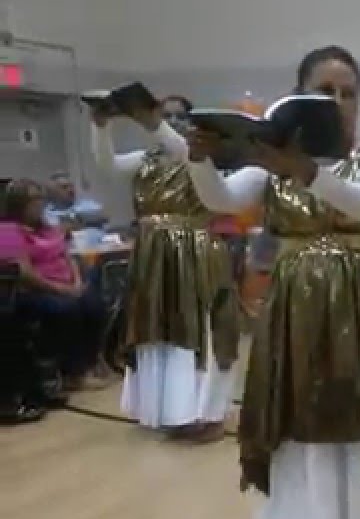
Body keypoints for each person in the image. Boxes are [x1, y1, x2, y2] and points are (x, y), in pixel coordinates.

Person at [184, 45, 360, 519]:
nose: (340, 101)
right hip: (297, 307)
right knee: (303, 425)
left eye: (349, 92)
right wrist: (200, 158)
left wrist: (305, 170)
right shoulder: (271, 161)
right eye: (326, 91)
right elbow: (222, 200)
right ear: (300, 96)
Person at [90, 93, 237, 442]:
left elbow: (189, 158)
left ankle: (203, 412)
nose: (170, 122)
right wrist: (100, 125)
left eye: (177, 116)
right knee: (153, 329)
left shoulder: (203, 157)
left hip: (193, 249)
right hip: (153, 252)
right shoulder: (147, 158)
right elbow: (107, 165)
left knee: (197, 330)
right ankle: (165, 410)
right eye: (164, 116)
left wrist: (154, 123)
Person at [0, 179, 110, 392]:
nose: (40, 204)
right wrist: (60, 289)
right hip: (34, 291)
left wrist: (76, 282)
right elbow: (24, 273)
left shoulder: (48, 228)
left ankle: (90, 362)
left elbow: (67, 257)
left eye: (41, 199)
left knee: (94, 304)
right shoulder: (7, 231)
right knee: (67, 309)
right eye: (34, 200)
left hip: (67, 285)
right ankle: (72, 372)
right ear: (19, 204)